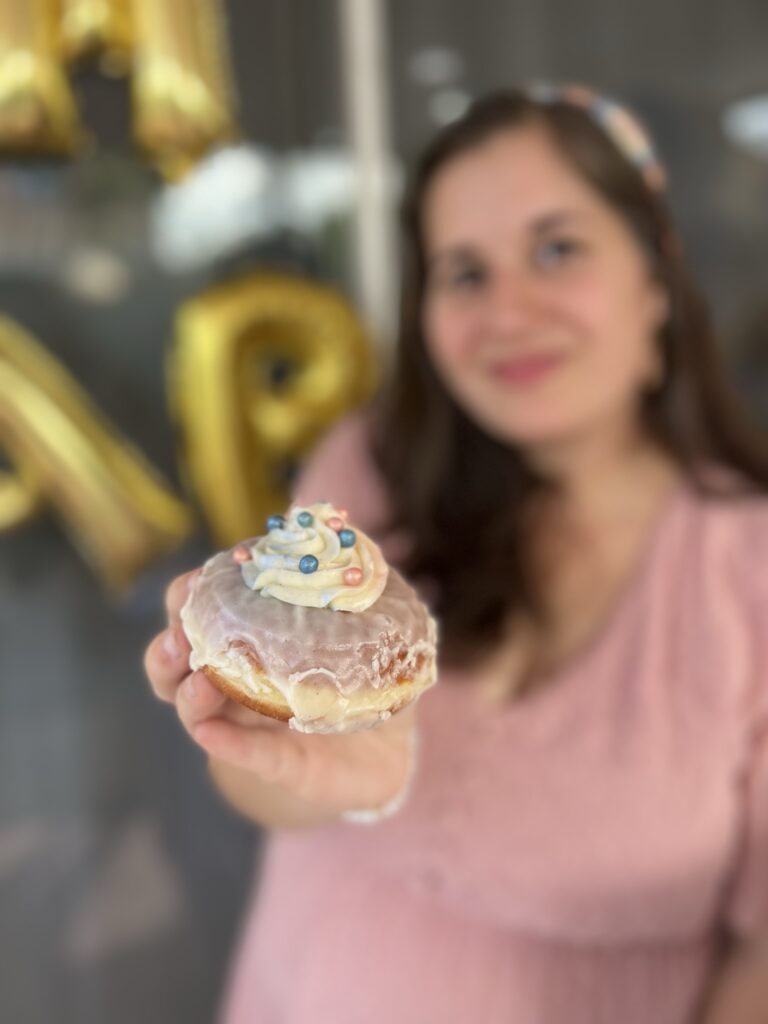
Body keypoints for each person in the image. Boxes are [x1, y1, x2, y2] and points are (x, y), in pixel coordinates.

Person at [144, 85, 768, 1023]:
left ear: (656, 276)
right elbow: (261, 783)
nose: (507, 311)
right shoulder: (369, 474)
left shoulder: (750, 568)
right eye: (464, 272)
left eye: (556, 248)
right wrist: (285, 753)